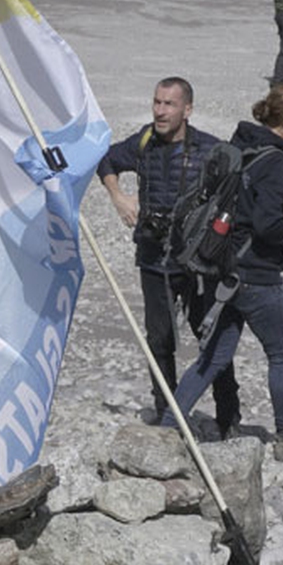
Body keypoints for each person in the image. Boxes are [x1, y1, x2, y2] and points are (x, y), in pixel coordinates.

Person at [169, 84, 283, 458]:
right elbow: (267, 225)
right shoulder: (275, 160)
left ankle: (169, 426)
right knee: (282, 353)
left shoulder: (239, 144)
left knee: (212, 358)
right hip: (256, 273)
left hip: (220, 267)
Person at [97, 78, 241, 432]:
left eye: (169, 105)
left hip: (196, 263)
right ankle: (168, 414)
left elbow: (239, 186)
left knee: (210, 340)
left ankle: (228, 417)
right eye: (157, 103)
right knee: (159, 339)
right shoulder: (143, 143)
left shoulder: (211, 150)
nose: (160, 111)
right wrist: (118, 196)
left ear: (187, 110)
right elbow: (105, 161)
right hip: (152, 257)